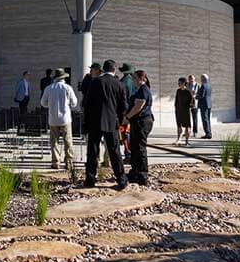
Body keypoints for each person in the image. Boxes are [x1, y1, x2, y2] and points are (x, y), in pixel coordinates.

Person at [82, 59, 127, 189]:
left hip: (95, 122)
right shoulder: (119, 84)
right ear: (114, 70)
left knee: (93, 152)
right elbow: (122, 107)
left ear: (104, 69)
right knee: (115, 152)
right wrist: (118, 121)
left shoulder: (95, 82)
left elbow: (87, 104)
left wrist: (86, 121)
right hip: (112, 122)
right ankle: (121, 179)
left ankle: (90, 179)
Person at [41, 67, 78, 170]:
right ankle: (69, 162)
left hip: (53, 118)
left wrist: (51, 105)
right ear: (63, 78)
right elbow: (74, 103)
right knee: (68, 140)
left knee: (54, 141)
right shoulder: (68, 88)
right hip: (65, 118)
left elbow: (43, 103)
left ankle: (55, 162)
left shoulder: (49, 88)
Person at [125, 69, 155, 185]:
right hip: (137, 122)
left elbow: (139, 105)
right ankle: (135, 171)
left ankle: (142, 174)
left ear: (142, 79)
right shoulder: (140, 90)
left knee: (140, 147)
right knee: (135, 147)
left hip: (142, 121)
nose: (133, 80)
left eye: (135, 78)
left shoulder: (143, 90)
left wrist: (127, 117)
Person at [173, 77, 194, 146]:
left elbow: (192, 102)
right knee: (179, 126)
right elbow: (176, 101)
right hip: (178, 111)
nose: (179, 84)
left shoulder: (188, 92)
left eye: (180, 83)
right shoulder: (178, 91)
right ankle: (178, 139)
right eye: (178, 83)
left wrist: (189, 106)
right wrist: (176, 108)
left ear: (184, 83)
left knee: (187, 126)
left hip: (186, 112)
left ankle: (187, 142)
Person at [196, 73, 212, 139]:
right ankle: (209, 132)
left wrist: (196, 96)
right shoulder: (209, 85)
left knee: (204, 119)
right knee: (208, 119)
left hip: (204, 105)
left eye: (201, 78)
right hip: (209, 104)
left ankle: (207, 134)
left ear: (203, 79)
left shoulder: (203, 86)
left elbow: (201, 96)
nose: (200, 79)